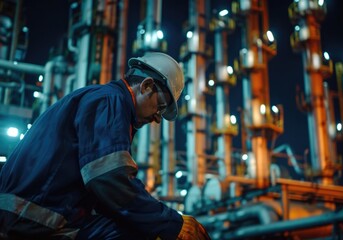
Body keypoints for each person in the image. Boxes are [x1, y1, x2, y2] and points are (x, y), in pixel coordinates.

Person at [0, 52, 210, 240]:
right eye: (160, 107)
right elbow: (110, 180)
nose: (157, 118)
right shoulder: (110, 101)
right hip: (34, 220)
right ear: (146, 86)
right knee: (141, 231)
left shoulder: (101, 99)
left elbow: (105, 192)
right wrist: (172, 224)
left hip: (26, 215)